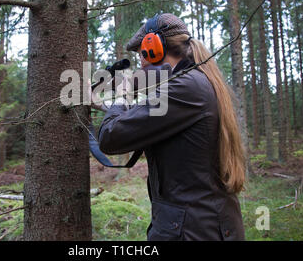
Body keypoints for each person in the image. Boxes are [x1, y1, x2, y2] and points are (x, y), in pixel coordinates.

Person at [91, 13, 246, 241]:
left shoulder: (184, 87)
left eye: (142, 54)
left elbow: (109, 137)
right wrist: (104, 105)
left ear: (153, 48)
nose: (141, 62)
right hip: (203, 224)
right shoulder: (195, 82)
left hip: (193, 229)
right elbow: (150, 118)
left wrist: (123, 95)